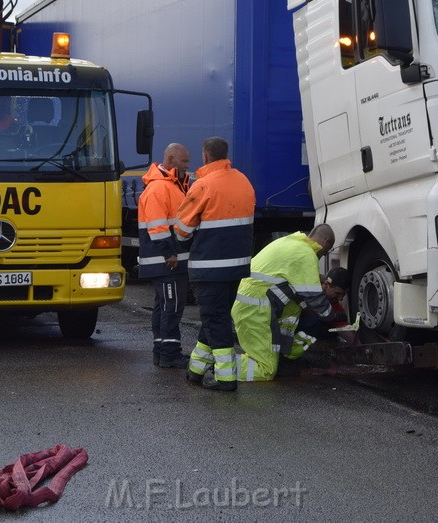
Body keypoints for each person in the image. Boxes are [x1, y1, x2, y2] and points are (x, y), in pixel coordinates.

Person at [175, 137, 255, 392]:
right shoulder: (244, 181)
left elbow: (182, 231)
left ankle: (225, 379)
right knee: (215, 318)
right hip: (237, 267)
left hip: (209, 268)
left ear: (205, 156)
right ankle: (195, 371)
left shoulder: (203, 185)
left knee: (216, 320)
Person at [231, 225, 339, 382]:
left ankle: (224, 364)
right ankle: (223, 366)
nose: (324, 255)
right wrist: (332, 315)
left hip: (251, 305)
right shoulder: (306, 254)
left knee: (269, 359)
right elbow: (314, 297)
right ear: (326, 241)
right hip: (255, 309)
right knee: (266, 370)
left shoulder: (290, 242)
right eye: (327, 251)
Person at [137, 142, 192, 368]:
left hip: (165, 260)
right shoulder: (160, 188)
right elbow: (157, 227)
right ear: (170, 160)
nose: (188, 166)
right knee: (172, 306)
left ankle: (162, 350)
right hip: (167, 261)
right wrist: (170, 253)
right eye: (184, 161)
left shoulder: (171, 185)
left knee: (164, 305)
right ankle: (169, 353)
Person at [298, 266, 350, 340]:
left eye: (343, 294)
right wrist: (339, 317)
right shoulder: (312, 288)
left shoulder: (331, 296)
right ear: (326, 284)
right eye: (337, 293)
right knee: (317, 324)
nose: (340, 298)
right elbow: (327, 316)